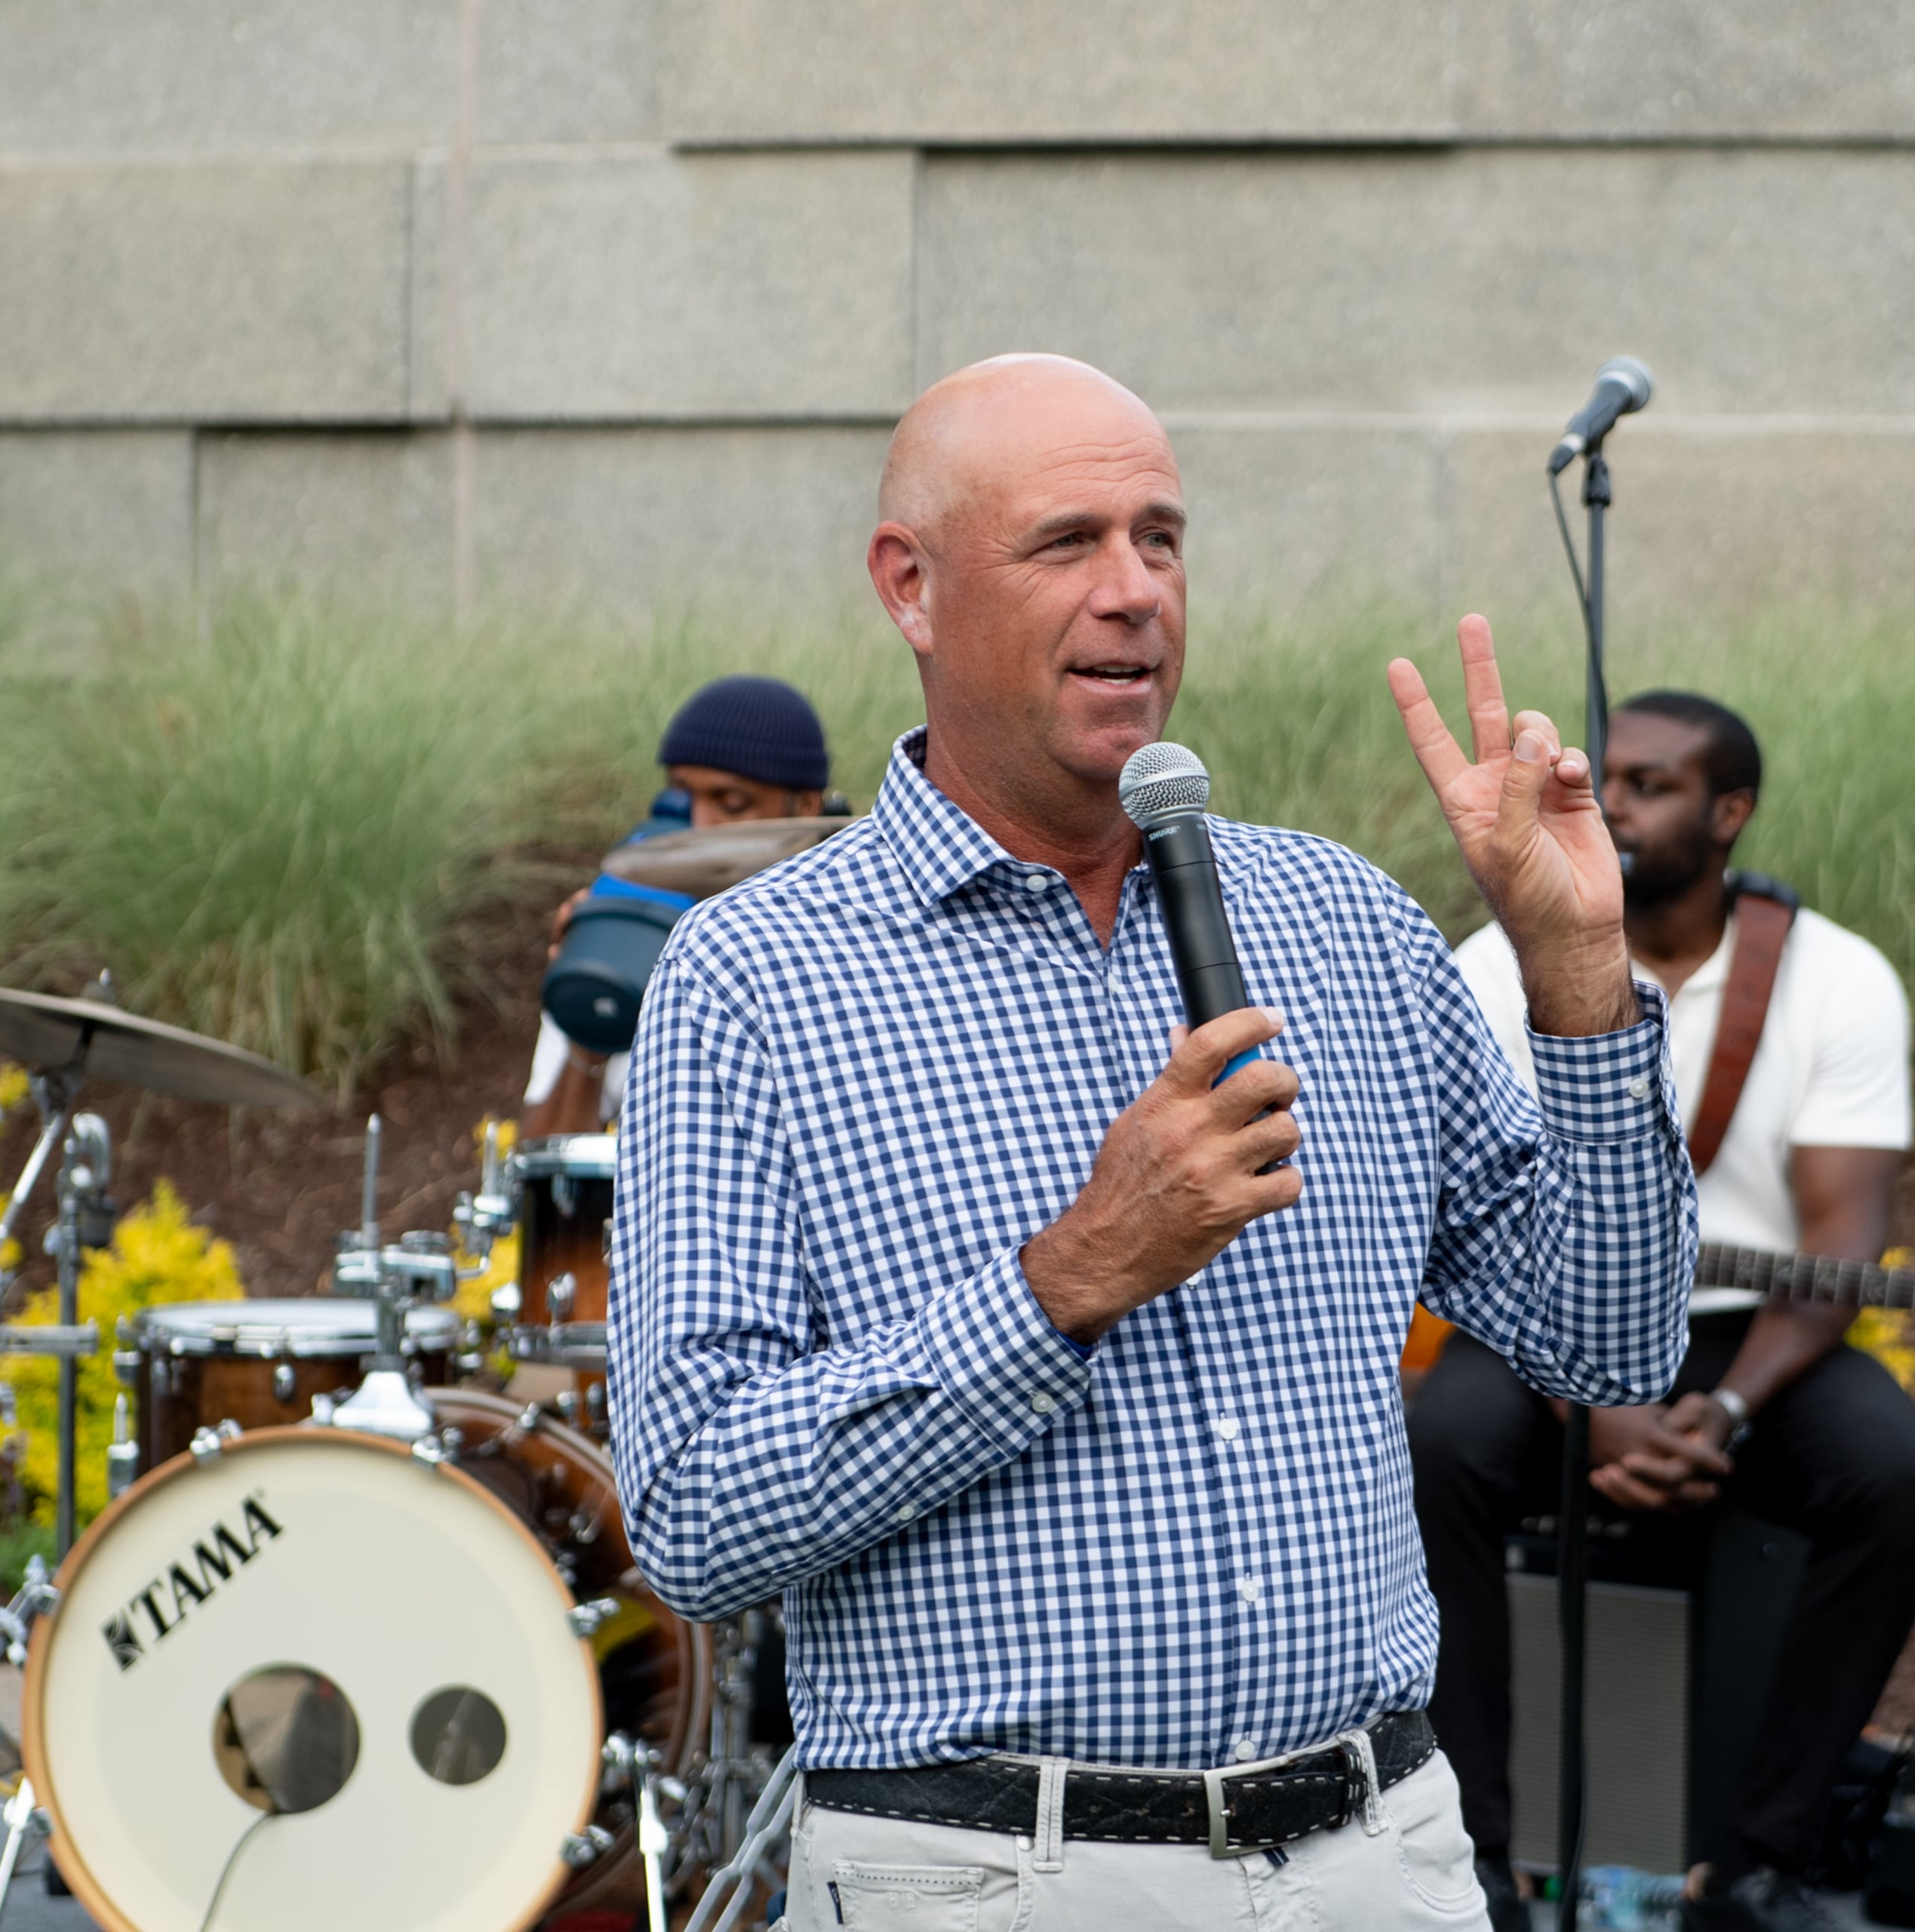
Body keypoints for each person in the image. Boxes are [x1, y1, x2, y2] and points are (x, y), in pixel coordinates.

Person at [603, 353, 1695, 1929]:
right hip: (993, 1871)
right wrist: (1068, 1277)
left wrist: (1583, 983)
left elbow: (1611, 1340)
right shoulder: (758, 979)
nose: (1135, 594)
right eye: (1070, 544)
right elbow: (700, 1512)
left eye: (1162, 538)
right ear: (911, 588)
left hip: (1376, 1856)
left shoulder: (1344, 924)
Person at [1411, 691, 1915, 1932]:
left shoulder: (1838, 978)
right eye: (1611, 780)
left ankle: (1761, 1864)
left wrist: (1731, 1409)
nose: (1614, 804)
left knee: (1892, 1481)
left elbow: (1843, 1245)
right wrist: (1595, 1409)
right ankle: (1474, 1857)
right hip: (1538, 1314)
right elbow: (1463, 1213)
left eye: (1650, 785)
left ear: (1731, 812)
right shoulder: (1493, 961)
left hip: (1752, 1335)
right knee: (1437, 1454)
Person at [518, 675, 835, 1138]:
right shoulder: (630, 931)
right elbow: (546, 1175)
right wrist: (589, 1026)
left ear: (806, 807)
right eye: (685, 798)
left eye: (731, 803)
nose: (700, 825)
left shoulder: (851, 936)